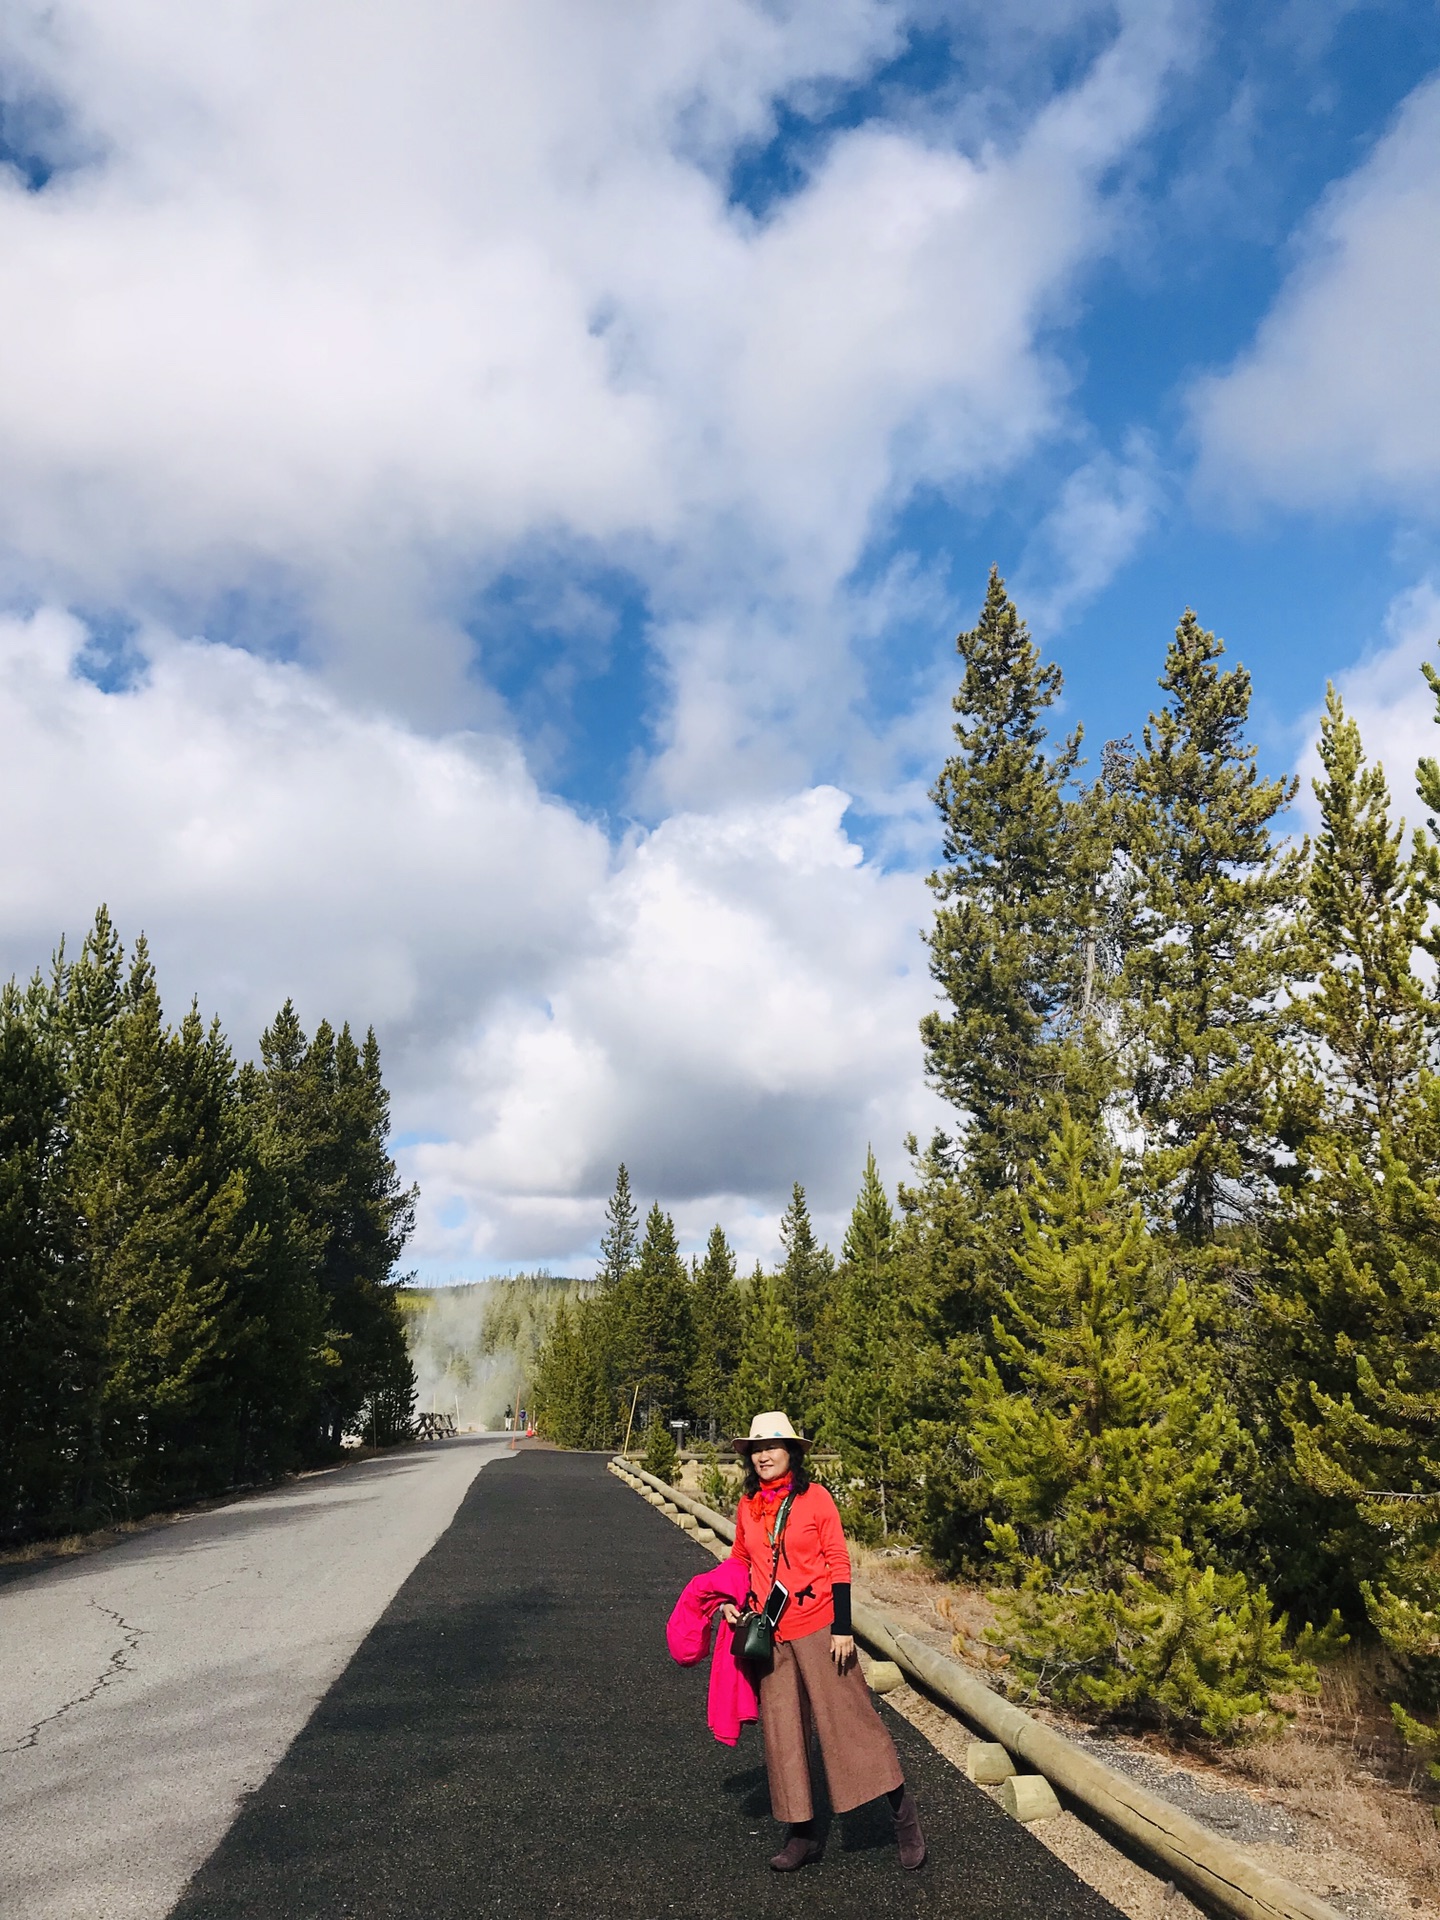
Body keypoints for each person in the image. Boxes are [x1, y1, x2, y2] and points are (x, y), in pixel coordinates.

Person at [721, 1410, 926, 1873]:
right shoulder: (747, 1506)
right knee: (784, 1735)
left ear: (792, 1452)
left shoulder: (815, 1499)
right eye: (756, 1449)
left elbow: (838, 1560)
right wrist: (730, 1602)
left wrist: (842, 1626)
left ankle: (904, 1820)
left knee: (850, 1724)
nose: (763, 1456)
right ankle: (802, 1834)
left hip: (818, 1626)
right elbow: (739, 1558)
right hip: (770, 1634)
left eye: (772, 1447)